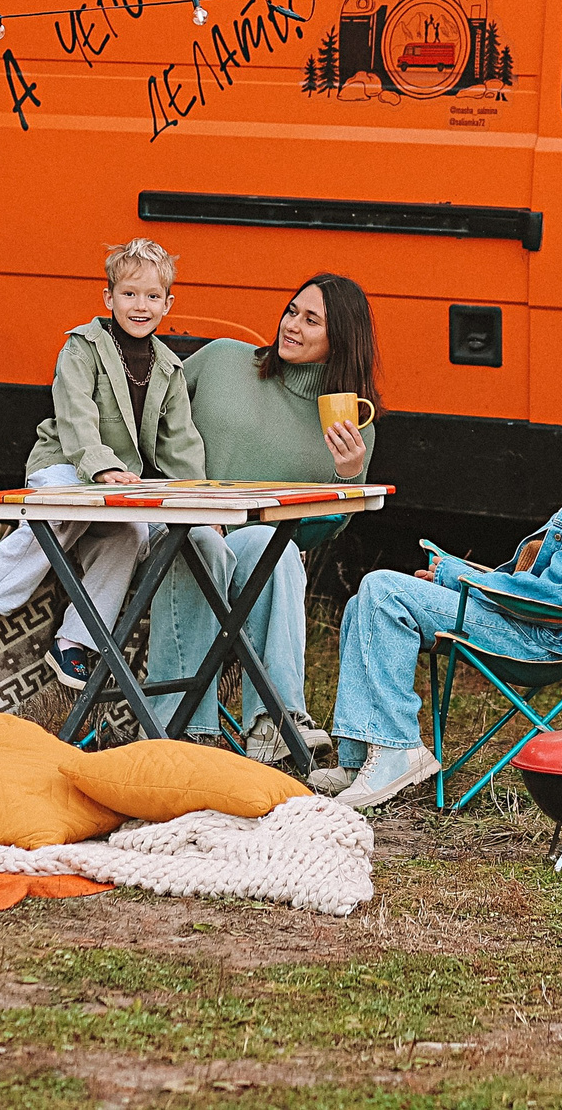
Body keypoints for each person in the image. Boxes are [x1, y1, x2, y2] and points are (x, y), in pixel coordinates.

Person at [316, 379, 562, 809]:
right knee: (363, 604)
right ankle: (359, 758)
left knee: (382, 589)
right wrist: (457, 579)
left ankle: (396, 749)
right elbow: (532, 584)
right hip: (523, 623)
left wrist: (457, 576)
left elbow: (555, 602)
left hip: (540, 641)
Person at [0, 238, 206, 688]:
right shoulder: (82, 347)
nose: (140, 306)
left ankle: (77, 641)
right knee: (65, 504)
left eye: (152, 296)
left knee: (128, 535)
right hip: (66, 462)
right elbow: (76, 417)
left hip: (116, 481)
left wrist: (198, 498)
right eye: (129, 294)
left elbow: (180, 443)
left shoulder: (169, 368)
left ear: (169, 303)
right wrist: (100, 466)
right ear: (109, 298)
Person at [147, 273, 378, 763]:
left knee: (281, 551)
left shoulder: (350, 426)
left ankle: (275, 720)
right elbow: (148, 415)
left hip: (247, 544)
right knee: (203, 541)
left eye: (310, 320)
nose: (291, 325)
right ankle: (187, 730)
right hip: (169, 526)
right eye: (292, 310)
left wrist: (346, 479)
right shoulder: (224, 360)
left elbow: (313, 533)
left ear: (341, 340)